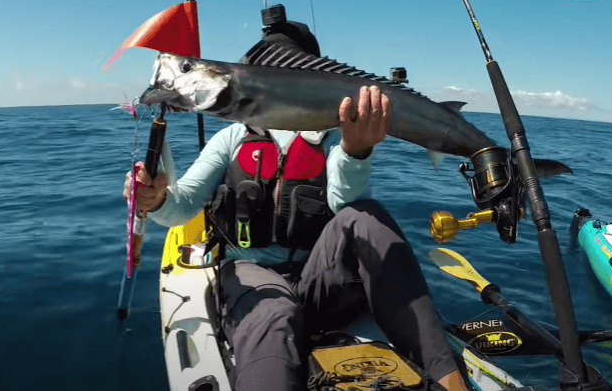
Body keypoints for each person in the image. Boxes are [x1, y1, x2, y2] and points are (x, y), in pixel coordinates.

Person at [124, 21, 469, 391]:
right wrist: (157, 197)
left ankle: (448, 378)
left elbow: (345, 203)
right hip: (253, 272)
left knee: (367, 216)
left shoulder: (338, 135)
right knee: (274, 310)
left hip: (322, 279)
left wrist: (356, 151)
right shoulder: (231, 137)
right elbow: (184, 204)